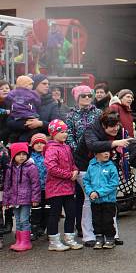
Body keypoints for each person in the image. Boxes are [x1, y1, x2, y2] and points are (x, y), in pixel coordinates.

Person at [78, 109, 129, 247]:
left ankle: (112, 235)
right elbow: (92, 145)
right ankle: (89, 236)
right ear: (103, 125)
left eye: (117, 125)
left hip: (107, 166)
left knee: (110, 200)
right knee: (90, 199)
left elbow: (126, 145)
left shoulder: (118, 131)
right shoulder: (91, 131)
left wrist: (125, 154)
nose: (116, 129)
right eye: (112, 126)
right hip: (87, 167)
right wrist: (115, 144)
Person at [66, 84, 102, 235]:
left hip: (97, 156)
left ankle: (98, 224)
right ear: (77, 98)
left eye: (89, 95)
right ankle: (81, 226)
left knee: (98, 189)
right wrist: (77, 151)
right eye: (83, 96)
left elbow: (102, 131)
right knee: (81, 194)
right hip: (80, 158)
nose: (87, 98)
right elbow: (68, 135)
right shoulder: (71, 115)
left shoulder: (98, 113)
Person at [44, 119, 82, 251]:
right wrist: (69, 175)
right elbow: (51, 168)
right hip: (55, 188)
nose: (64, 134)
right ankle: (53, 241)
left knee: (71, 213)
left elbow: (72, 162)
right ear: (53, 133)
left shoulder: (66, 147)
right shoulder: (51, 148)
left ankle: (69, 238)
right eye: (61, 132)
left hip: (68, 187)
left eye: (66, 131)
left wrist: (75, 169)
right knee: (54, 214)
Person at [2, 142, 40, 251]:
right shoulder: (10, 168)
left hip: (26, 199)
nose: (22, 156)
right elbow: (7, 185)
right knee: (17, 220)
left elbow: (35, 184)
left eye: (24, 154)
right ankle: (19, 241)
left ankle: (26, 242)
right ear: (13, 156)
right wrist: (6, 201)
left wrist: (35, 198)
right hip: (15, 199)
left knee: (24, 220)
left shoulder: (31, 167)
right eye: (19, 154)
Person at [82, 147, 120, 249]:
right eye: (103, 152)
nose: (106, 154)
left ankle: (110, 238)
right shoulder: (91, 166)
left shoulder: (111, 167)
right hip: (95, 200)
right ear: (96, 154)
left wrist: (99, 193)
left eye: (108, 152)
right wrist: (90, 192)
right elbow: (86, 181)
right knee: (96, 220)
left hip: (108, 200)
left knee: (108, 220)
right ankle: (99, 238)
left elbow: (114, 183)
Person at [5, 75, 41, 141]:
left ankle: (11, 141)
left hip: (17, 115)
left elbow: (8, 99)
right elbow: (37, 101)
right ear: (26, 85)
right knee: (30, 129)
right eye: (30, 84)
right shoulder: (32, 93)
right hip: (30, 115)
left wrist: (12, 107)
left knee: (16, 132)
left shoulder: (13, 92)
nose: (32, 86)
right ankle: (23, 140)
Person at [28, 133, 48, 240]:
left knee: (47, 209)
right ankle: (34, 229)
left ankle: (43, 227)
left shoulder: (48, 156)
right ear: (32, 145)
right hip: (35, 189)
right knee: (36, 209)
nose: (39, 145)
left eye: (42, 143)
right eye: (37, 143)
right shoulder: (30, 159)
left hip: (48, 188)